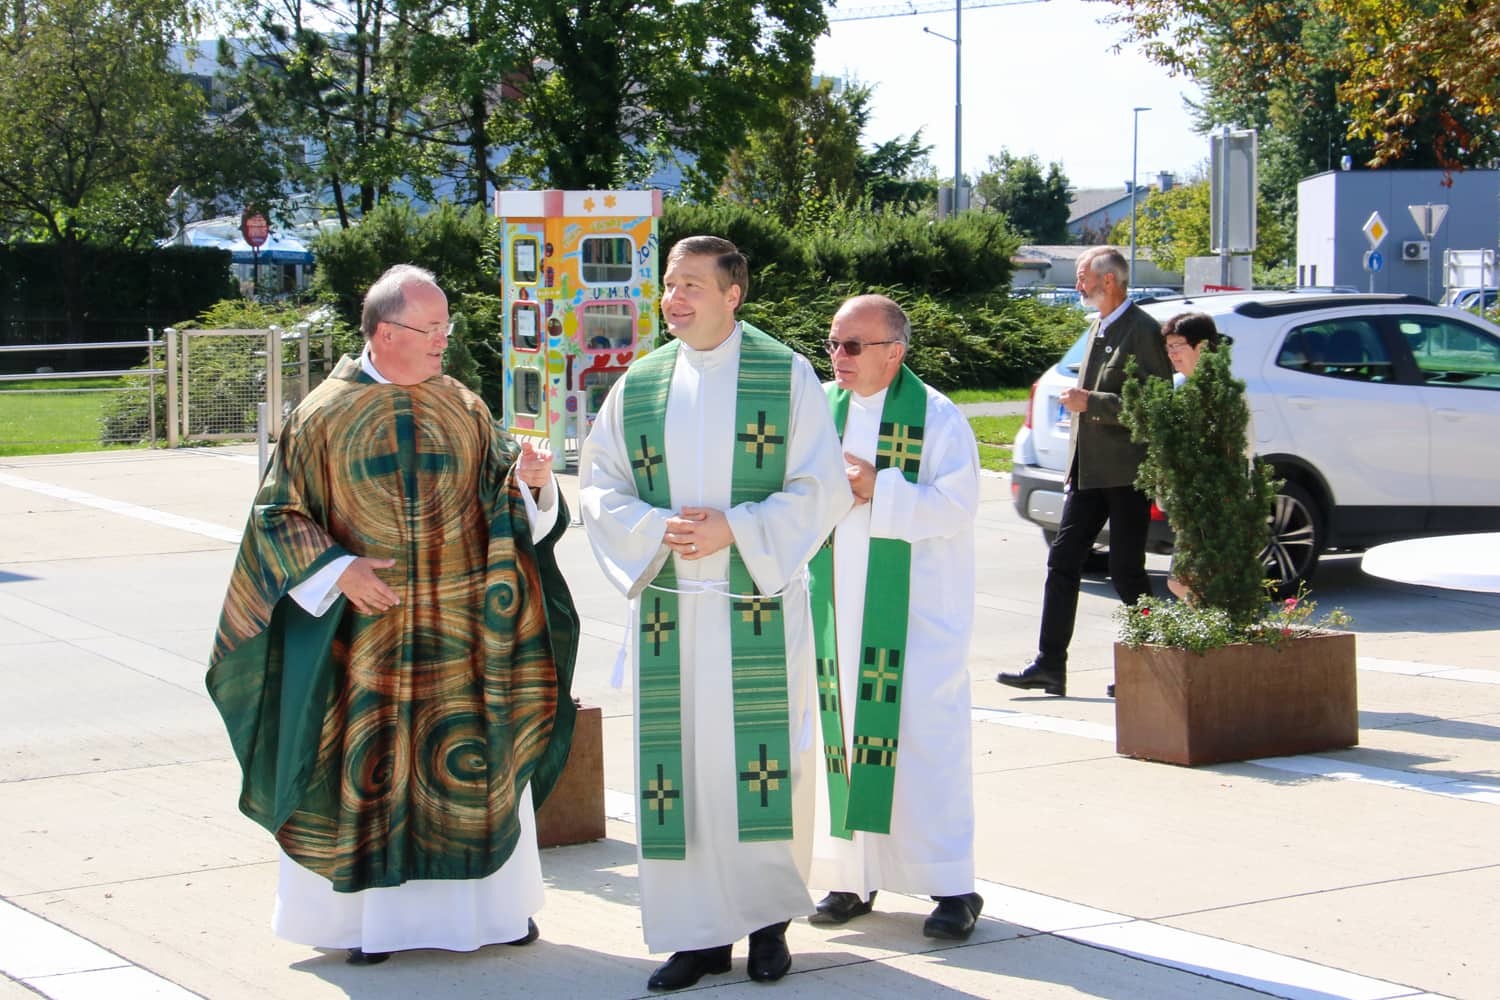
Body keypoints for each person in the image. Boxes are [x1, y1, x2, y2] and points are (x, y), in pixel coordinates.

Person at [206, 264, 579, 965]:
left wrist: (531, 483)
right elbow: (276, 515)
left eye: (445, 327)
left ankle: (493, 914)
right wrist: (336, 569)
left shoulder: (463, 404)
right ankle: (366, 928)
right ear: (384, 332)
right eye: (429, 328)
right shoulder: (322, 414)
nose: (443, 339)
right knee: (368, 766)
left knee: (471, 766)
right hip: (363, 645)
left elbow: (501, 498)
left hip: (462, 640)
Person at [579, 235, 851, 991]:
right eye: (669, 284)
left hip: (752, 607)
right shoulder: (640, 383)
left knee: (756, 768)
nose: (674, 298)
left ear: (734, 295)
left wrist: (737, 528)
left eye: (692, 285)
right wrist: (651, 529)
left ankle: (767, 925)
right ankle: (697, 937)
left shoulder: (784, 374)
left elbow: (821, 486)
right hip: (671, 616)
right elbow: (598, 482)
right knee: (683, 775)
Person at [804, 295, 985, 940]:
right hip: (835, 611)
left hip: (912, 617)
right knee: (843, 739)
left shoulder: (935, 417)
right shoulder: (820, 410)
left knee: (925, 745)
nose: (839, 357)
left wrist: (880, 486)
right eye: (833, 343)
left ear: (895, 353)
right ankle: (851, 877)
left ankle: (952, 886)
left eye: (854, 345)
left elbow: (958, 506)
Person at [998, 247, 1173, 698]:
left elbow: (1155, 403)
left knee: (1126, 572)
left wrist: (1091, 402)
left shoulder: (1142, 331)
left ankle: (1155, 664)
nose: (1078, 285)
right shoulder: (1100, 325)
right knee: (1062, 561)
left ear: (1108, 280)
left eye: (1083, 277)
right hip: (1089, 473)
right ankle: (1049, 665)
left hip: (1126, 473)